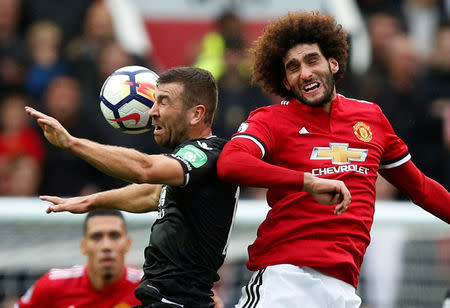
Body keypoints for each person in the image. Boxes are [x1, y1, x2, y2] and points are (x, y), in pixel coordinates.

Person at [216, 11, 450, 307]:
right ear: (286, 82)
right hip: (284, 281)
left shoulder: (371, 118)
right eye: (293, 68)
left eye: (312, 60)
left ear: (333, 63)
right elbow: (230, 164)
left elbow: (421, 188)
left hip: (342, 289)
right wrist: (307, 182)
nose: (305, 73)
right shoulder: (270, 119)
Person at [25, 67, 238, 307]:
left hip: (177, 302)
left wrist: (72, 143)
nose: (152, 111)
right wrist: (90, 202)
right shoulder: (190, 167)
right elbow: (153, 193)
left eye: (163, 102)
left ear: (196, 114)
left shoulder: (207, 153)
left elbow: (144, 169)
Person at [17, 209, 143, 307]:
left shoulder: (147, 287)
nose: (106, 246)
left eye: (114, 236)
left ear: (127, 244)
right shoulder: (52, 285)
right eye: (97, 237)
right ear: (83, 246)